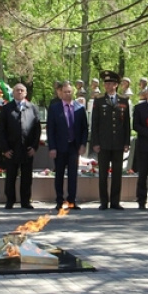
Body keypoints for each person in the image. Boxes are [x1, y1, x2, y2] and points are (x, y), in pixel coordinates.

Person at [90, 70, 131, 210]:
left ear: (116, 85)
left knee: (117, 174)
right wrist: (95, 143)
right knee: (103, 174)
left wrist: (127, 142)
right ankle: (104, 202)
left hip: (118, 143)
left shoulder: (123, 100)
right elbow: (94, 123)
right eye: (106, 83)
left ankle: (115, 202)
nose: (108, 86)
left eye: (111, 83)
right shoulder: (99, 100)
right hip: (103, 143)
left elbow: (126, 124)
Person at [0, 83, 41, 209]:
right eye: (17, 90)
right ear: (13, 93)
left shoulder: (32, 108)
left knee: (27, 176)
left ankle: (25, 201)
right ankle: (10, 200)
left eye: (22, 90)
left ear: (26, 93)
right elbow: (1, 131)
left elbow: (37, 130)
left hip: (27, 149)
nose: (20, 92)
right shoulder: (7, 108)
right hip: (12, 149)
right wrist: (5, 149)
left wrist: (34, 147)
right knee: (11, 176)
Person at [47, 81, 88, 210]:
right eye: (65, 92)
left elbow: (84, 129)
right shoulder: (54, 108)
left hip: (74, 147)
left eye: (69, 92)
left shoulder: (79, 108)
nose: (67, 94)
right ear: (60, 93)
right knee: (59, 174)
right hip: (59, 148)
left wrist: (83, 144)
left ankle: (72, 201)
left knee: (73, 175)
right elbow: (50, 130)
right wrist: (52, 147)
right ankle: (59, 200)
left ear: (73, 92)